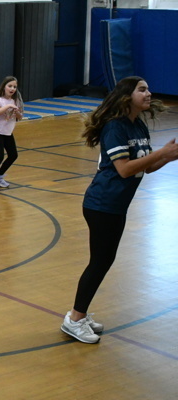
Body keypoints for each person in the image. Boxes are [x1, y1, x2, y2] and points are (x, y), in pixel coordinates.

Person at [61, 76, 178, 344]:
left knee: (103, 260)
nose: (149, 93)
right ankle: (75, 319)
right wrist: (160, 153)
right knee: (100, 261)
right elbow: (124, 169)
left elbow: (145, 167)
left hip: (115, 206)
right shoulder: (115, 127)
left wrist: (167, 157)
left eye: (148, 88)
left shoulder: (138, 126)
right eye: (142, 89)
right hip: (102, 204)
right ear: (127, 96)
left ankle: (80, 315)